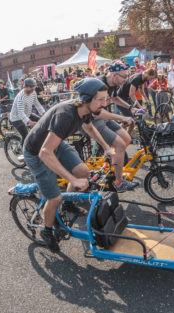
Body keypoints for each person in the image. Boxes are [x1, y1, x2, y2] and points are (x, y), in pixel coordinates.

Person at [23, 78, 115, 252]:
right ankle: (48, 231)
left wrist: (106, 147)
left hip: (54, 145)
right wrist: (72, 179)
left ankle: (68, 203)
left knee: (83, 172)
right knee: (54, 197)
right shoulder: (65, 115)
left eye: (106, 98)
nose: (105, 103)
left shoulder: (85, 110)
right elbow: (44, 153)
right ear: (87, 99)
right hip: (37, 152)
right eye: (101, 99)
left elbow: (89, 128)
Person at [94, 61, 139, 192]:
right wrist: (122, 117)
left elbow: (115, 98)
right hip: (93, 120)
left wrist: (131, 108)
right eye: (124, 76)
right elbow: (97, 112)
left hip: (105, 116)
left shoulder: (112, 83)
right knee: (119, 145)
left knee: (126, 138)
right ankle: (119, 183)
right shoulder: (100, 85)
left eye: (127, 76)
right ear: (114, 75)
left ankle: (110, 162)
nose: (126, 80)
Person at [9, 78, 46, 144]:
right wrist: (30, 122)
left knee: (41, 122)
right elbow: (21, 113)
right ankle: (24, 151)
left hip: (27, 114)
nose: (33, 90)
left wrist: (44, 113)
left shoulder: (33, 92)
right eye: (31, 88)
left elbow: (37, 103)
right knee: (25, 135)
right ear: (25, 87)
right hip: (16, 118)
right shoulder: (21, 97)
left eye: (34, 88)